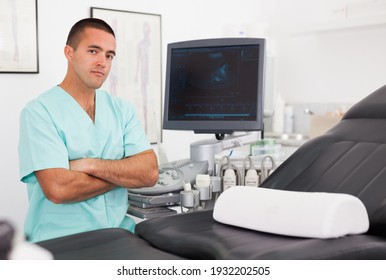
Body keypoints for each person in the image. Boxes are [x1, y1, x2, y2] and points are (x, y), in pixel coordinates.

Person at [18, 18, 159, 243]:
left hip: (119, 235)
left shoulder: (122, 110)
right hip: (60, 241)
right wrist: (123, 175)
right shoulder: (39, 112)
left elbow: (149, 173)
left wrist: (89, 165)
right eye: (93, 51)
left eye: (109, 55)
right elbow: (58, 189)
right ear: (69, 53)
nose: (102, 62)